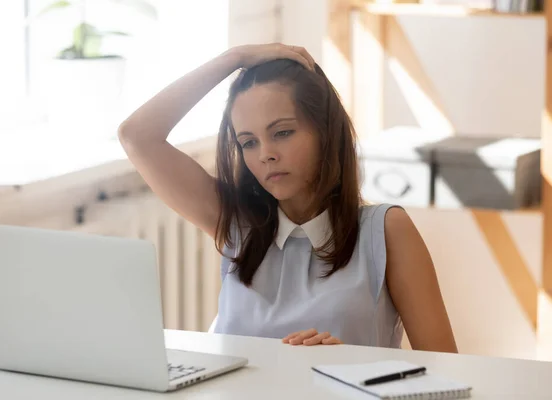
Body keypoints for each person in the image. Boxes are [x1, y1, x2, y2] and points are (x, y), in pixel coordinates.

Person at [118, 44, 458, 352]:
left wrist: (354, 366)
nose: (266, 154)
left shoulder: (385, 231)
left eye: (282, 132)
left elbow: (447, 372)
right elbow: (136, 136)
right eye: (248, 142)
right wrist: (232, 59)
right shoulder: (235, 222)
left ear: (325, 131)